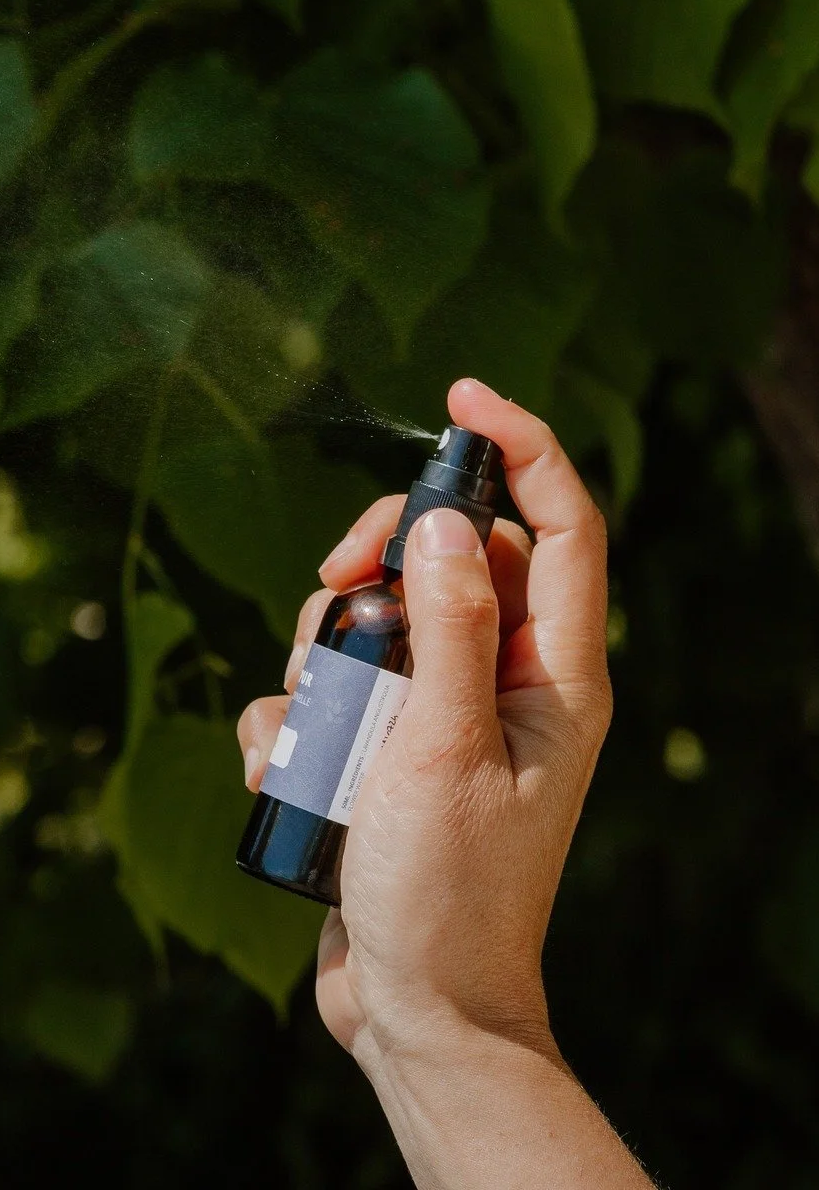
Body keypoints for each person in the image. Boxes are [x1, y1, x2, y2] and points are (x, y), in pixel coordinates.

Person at [237, 378, 658, 1189]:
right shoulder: (363, 612)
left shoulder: (388, 619)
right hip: (402, 996)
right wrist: (435, 1019)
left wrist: (439, 1014)